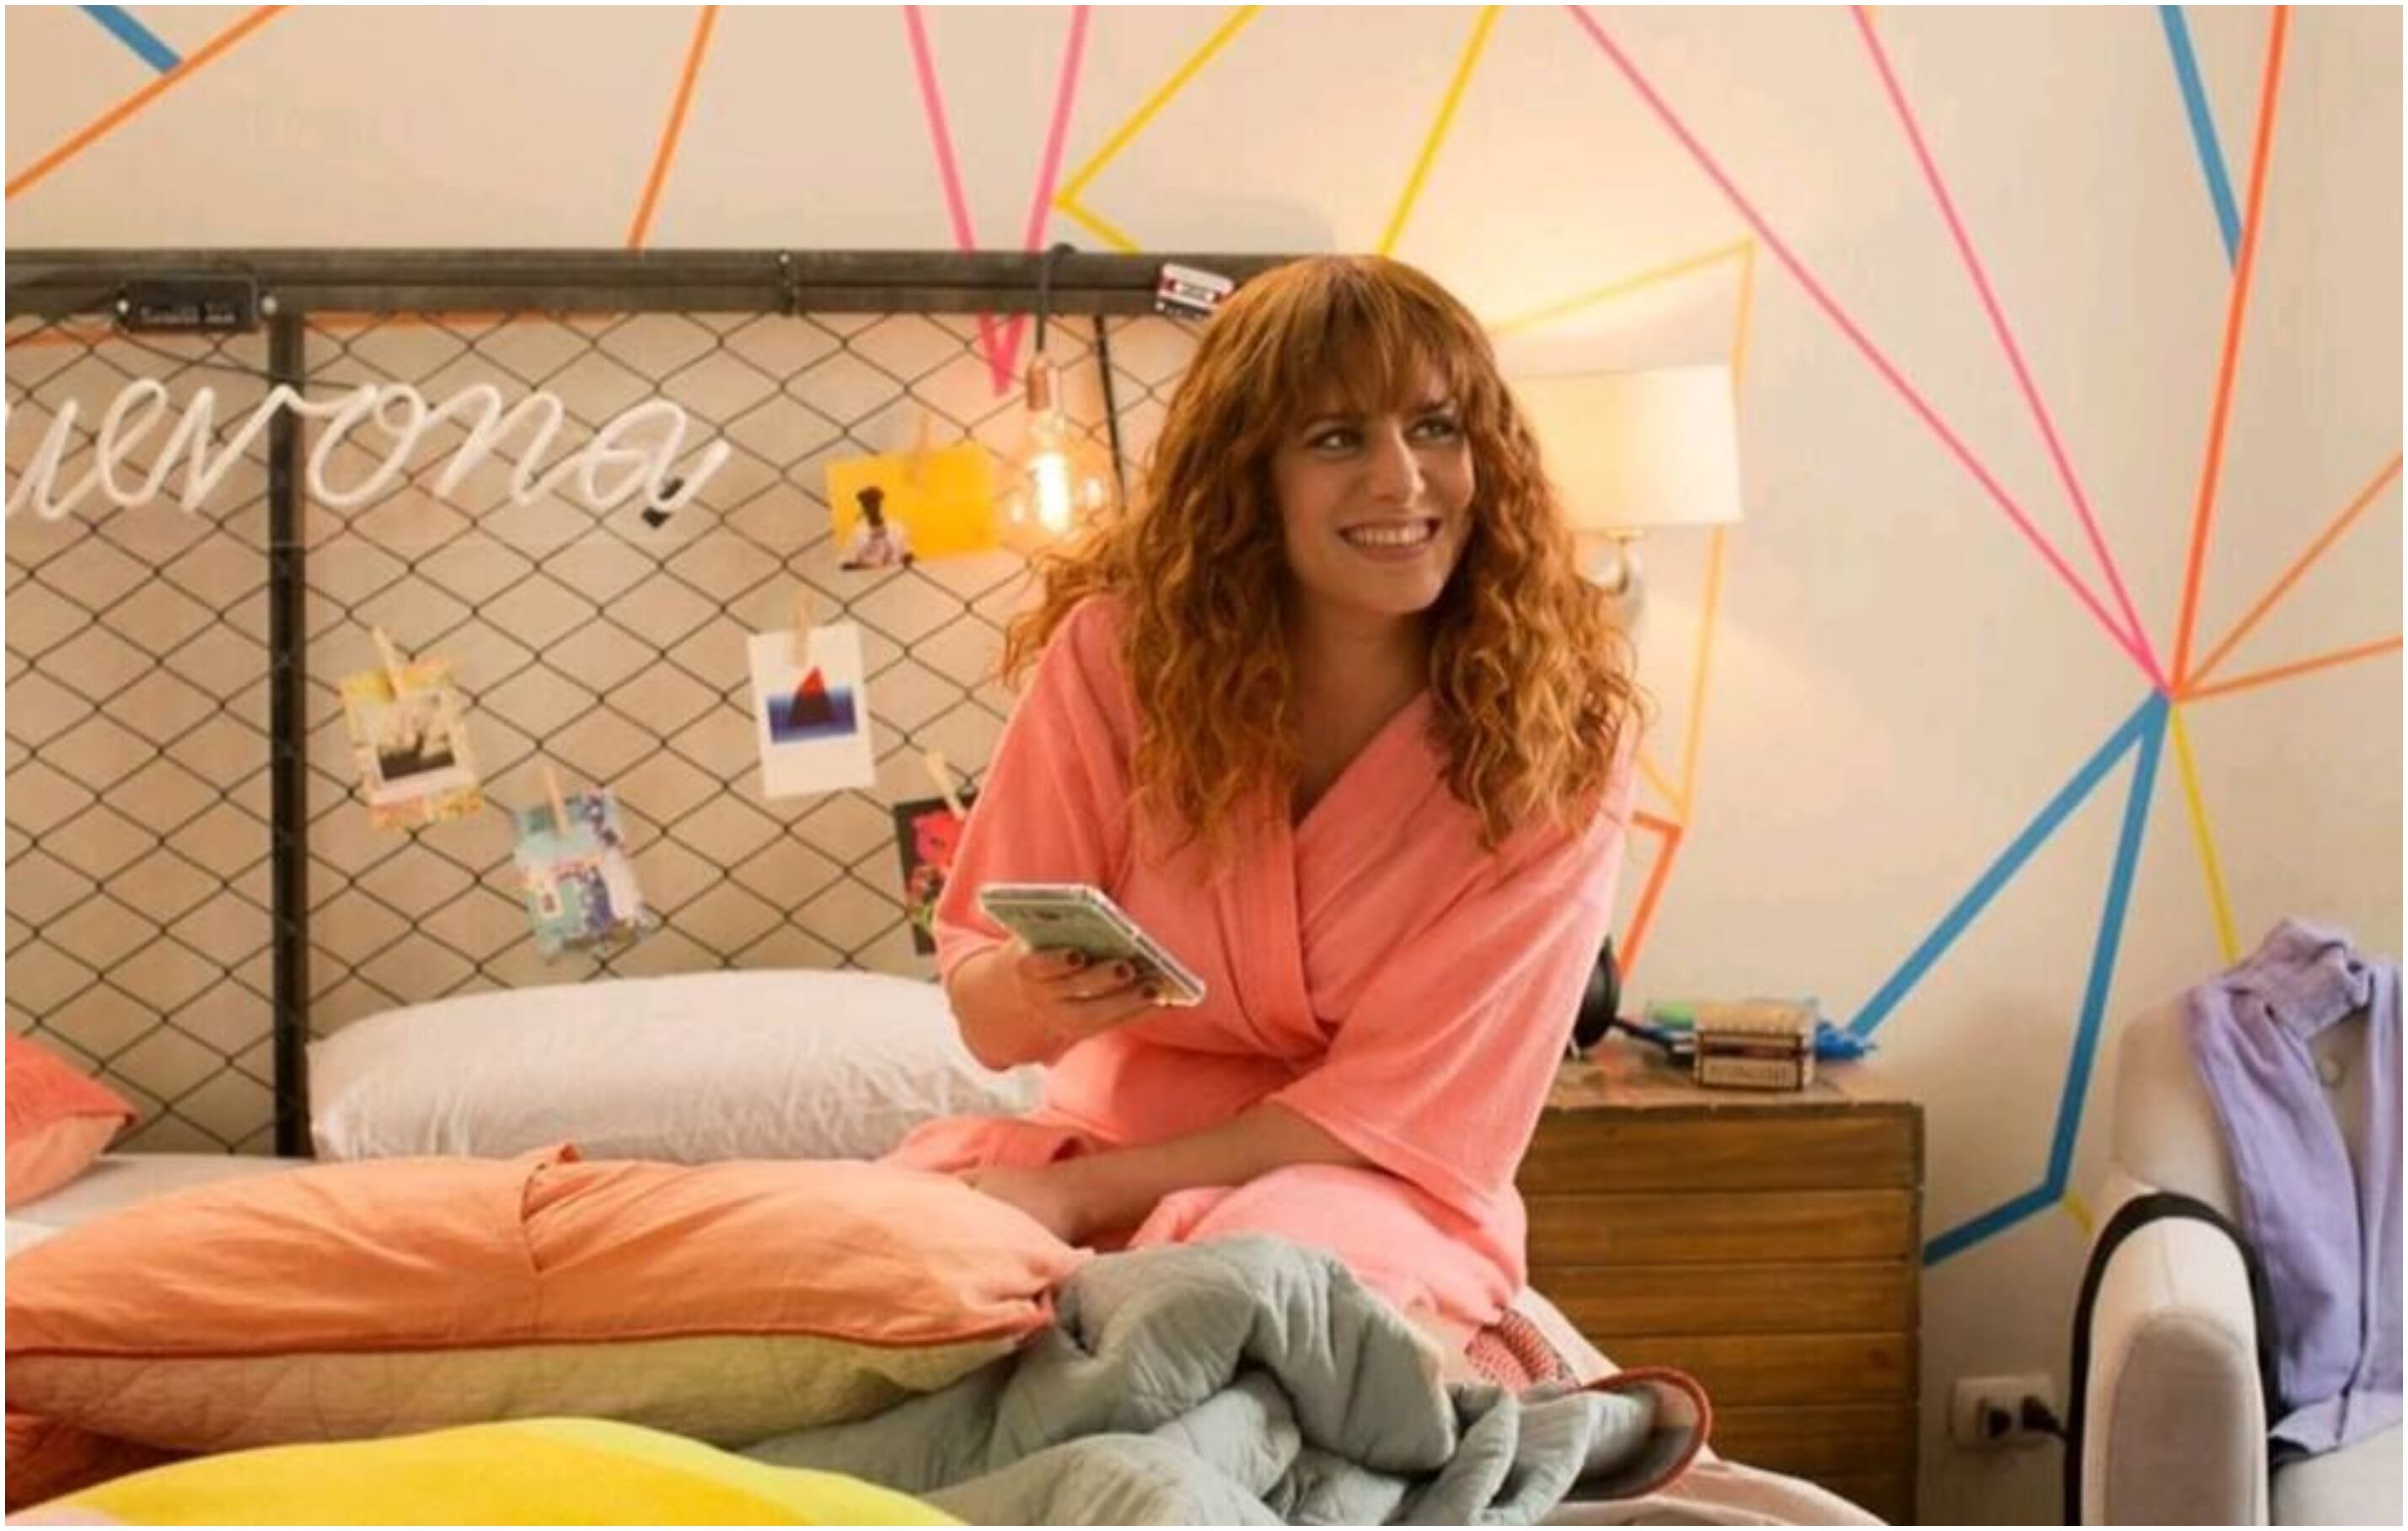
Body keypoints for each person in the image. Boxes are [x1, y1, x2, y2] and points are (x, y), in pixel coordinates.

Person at [886, 254, 1644, 1349]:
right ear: (1248, 475)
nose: (1401, 480)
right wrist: (1034, 988)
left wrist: (1076, 1203)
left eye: (1435, 429)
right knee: (856, 1263)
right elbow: (984, 1020)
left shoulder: (1559, 740)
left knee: (1265, 1288)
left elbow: (1402, 1114)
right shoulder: (1116, 662)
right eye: (1336, 439)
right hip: (1087, 1147)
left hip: (1369, 1192)